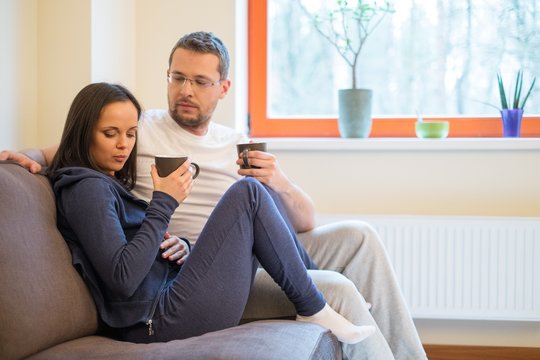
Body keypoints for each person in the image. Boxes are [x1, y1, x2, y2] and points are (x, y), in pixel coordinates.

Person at [1, 32, 426, 359]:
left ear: (222, 88)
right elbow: (68, 149)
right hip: (194, 270)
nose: (186, 90)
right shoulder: (137, 127)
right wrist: (22, 158)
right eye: (178, 78)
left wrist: (279, 181)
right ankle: (316, 296)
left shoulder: (236, 142)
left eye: (200, 81)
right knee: (333, 286)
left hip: (226, 250)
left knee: (360, 235)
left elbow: (305, 221)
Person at [47, 81, 376, 345]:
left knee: (261, 192)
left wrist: (182, 247)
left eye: (131, 133)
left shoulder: (103, 182)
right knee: (247, 193)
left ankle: (313, 298)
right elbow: (122, 279)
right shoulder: (86, 188)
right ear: (83, 132)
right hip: (157, 320)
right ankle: (313, 306)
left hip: (169, 295)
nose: (123, 145)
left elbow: (134, 255)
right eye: (110, 133)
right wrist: (163, 202)